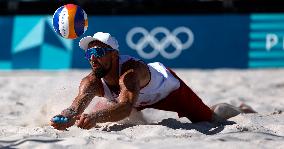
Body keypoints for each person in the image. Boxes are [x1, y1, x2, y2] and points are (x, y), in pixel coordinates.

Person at [50, 32, 256, 130]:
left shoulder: (129, 73)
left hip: (169, 91)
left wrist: (95, 117)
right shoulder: (92, 80)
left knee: (209, 119)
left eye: (98, 52)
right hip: (134, 99)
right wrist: (66, 116)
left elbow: (125, 107)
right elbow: (76, 105)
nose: (93, 57)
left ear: (114, 55)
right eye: (89, 53)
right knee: (103, 109)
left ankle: (237, 109)